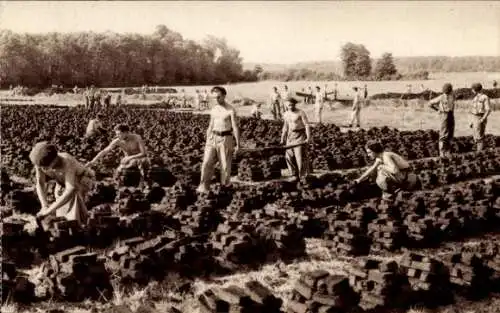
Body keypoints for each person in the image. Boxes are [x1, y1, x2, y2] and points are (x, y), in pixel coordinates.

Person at [30, 142, 94, 224]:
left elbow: (70, 189)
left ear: (55, 159)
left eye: (46, 167)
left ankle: (77, 226)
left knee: (73, 201)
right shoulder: (40, 162)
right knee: (60, 201)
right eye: (42, 167)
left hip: (81, 180)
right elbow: (40, 183)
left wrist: (49, 211)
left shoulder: (67, 161)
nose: (44, 169)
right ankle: (64, 225)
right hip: (62, 182)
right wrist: (44, 206)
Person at [197, 86, 240, 193]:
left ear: (224, 96)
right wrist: (208, 139)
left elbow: (235, 127)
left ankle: (225, 188)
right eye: (214, 98)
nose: (216, 99)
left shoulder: (231, 109)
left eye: (218, 97)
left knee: (225, 165)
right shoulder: (214, 109)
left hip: (226, 138)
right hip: (212, 138)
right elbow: (210, 125)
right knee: (206, 163)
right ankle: (203, 187)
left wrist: (238, 144)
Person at [354, 140, 418, 200]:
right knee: (375, 170)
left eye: (370, 152)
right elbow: (372, 169)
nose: (368, 155)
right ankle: (389, 191)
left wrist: (382, 166)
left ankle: (395, 191)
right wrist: (359, 180)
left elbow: (394, 170)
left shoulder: (386, 156)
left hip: (408, 178)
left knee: (380, 170)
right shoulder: (379, 157)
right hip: (403, 176)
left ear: (375, 150)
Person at [281, 97, 311, 180]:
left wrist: (308, 137)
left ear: (294, 104)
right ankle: (293, 174)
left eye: (291, 105)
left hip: (300, 135)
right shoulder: (286, 114)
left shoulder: (300, 113)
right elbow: (285, 126)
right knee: (288, 156)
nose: (289, 107)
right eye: (288, 105)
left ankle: (303, 176)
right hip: (290, 136)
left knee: (299, 157)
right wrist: (282, 138)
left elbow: (307, 125)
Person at [428, 83, 455, 157]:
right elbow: (430, 103)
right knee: (443, 134)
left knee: (450, 133)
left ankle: (448, 151)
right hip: (444, 115)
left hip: (451, 115)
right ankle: (442, 153)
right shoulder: (441, 97)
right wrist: (437, 110)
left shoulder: (452, 96)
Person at [469, 83, 491, 151]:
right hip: (474, 117)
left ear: (475, 89)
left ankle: (480, 153)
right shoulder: (475, 98)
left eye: (472, 89)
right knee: (475, 135)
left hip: (480, 117)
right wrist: (471, 121)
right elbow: (472, 110)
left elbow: (488, 110)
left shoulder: (485, 97)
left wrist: (483, 119)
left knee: (479, 136)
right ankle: (478, 150)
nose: (472, 90)